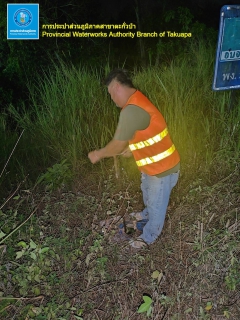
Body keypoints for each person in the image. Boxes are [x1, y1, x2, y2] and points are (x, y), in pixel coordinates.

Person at [88, 69, 180, 249]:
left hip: (162, 170)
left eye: (110, 94)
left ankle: (149, 237)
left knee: (156, 205)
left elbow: (117, 145)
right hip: (154, 167)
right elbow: (146, 132)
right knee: (149, 196)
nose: (112, 99)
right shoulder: (138, 100)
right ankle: (146, 215)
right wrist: (132, 149)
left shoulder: (131, 110)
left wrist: (99, 154)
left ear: (116, 87)